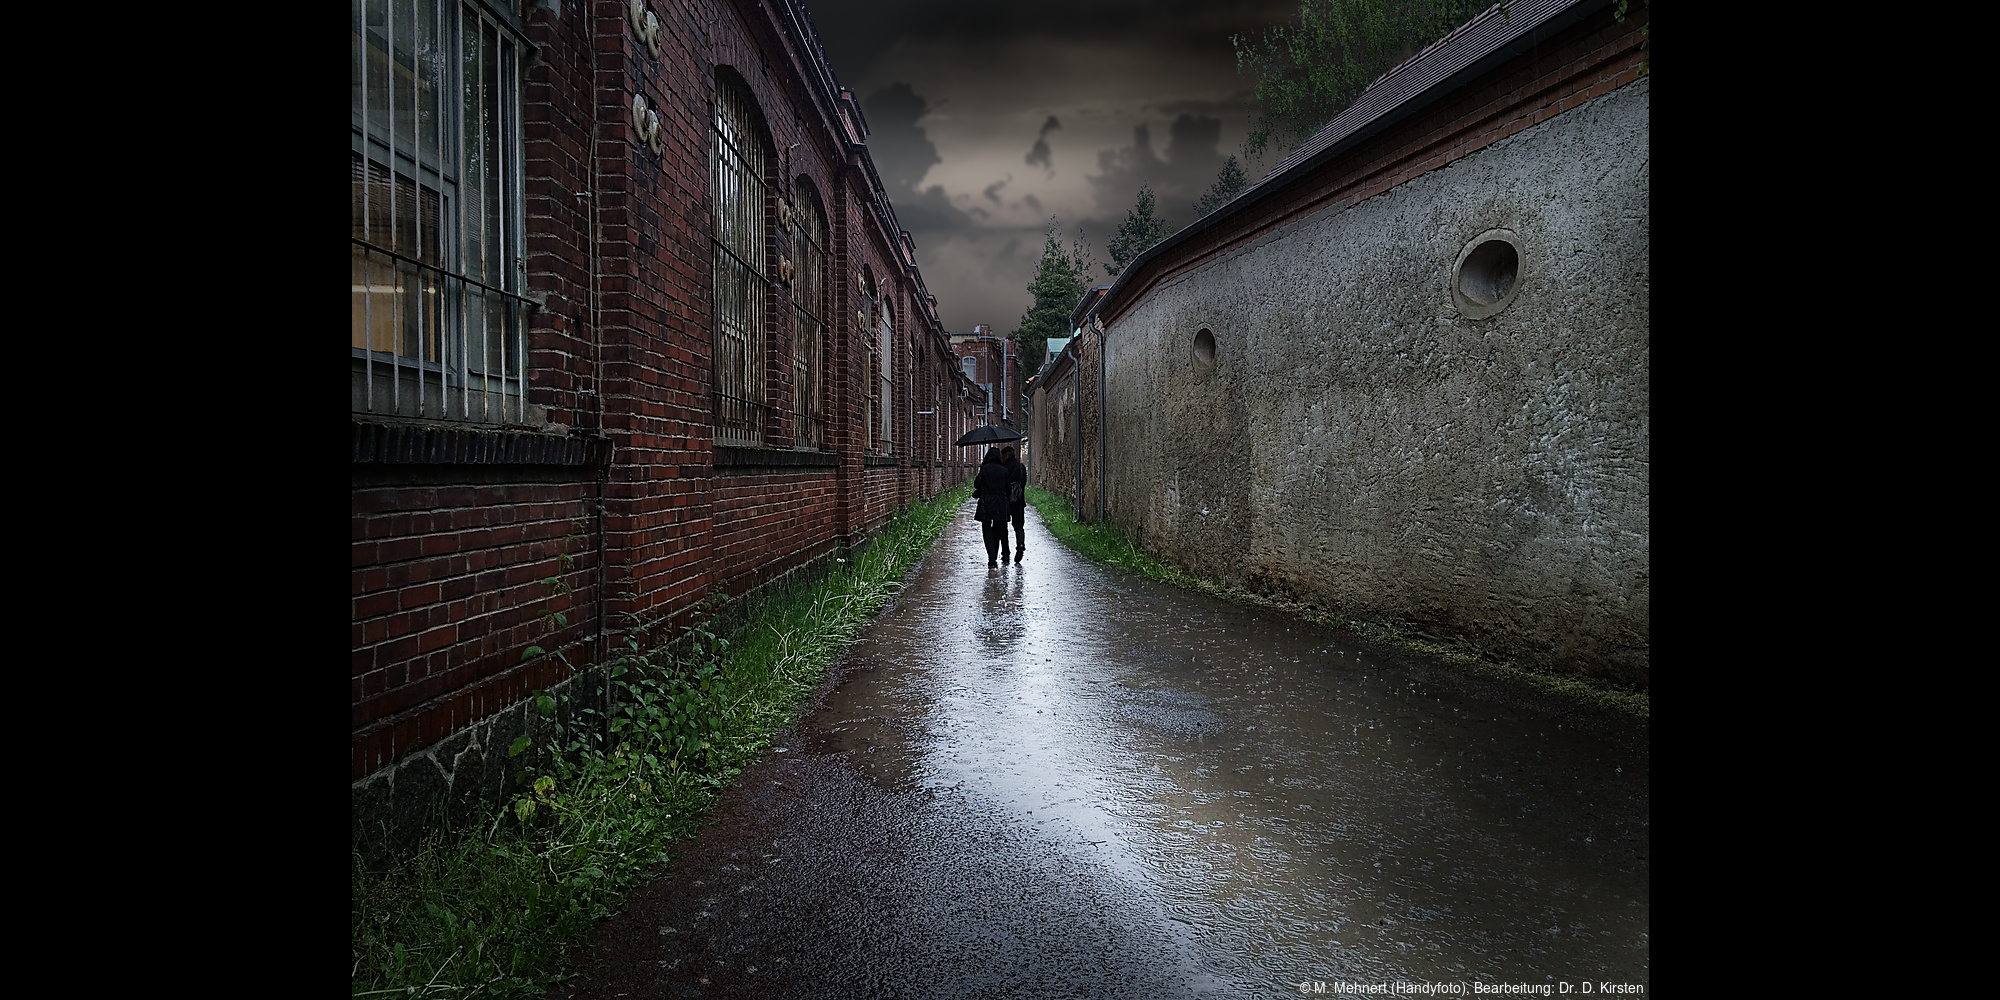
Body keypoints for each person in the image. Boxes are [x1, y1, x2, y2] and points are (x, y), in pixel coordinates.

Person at [973, 447, 1013, 568]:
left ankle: (991, 556)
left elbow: (977, 484)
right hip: (1000, 502)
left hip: (987, 501)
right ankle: (994, 554)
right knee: (997, 529)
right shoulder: (1004, 470)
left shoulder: (984, 469)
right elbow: (1008, 489)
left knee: (986, 529)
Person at [1003, 445, 1027, 561]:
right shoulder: (1021, 467)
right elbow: (1023, 483)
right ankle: (1020, 544)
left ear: (1006, 455)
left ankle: (1005, 551)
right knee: (1019, 526)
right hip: (1019, 500)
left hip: (1006, 500)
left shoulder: (1003, 467)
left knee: (1003, 526)